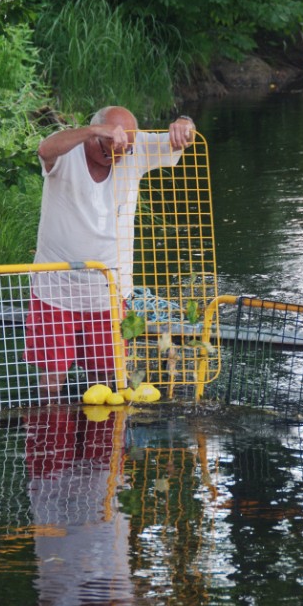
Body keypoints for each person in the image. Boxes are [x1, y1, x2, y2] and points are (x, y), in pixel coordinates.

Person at [25, 106, 196, 400]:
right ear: (95, 135)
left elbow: (184, 135)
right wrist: (92, 131)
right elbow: (44, 149)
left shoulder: (135, 148)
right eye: (110, 145)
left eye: (124, 148)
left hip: (109, 290)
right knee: (51, 378)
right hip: (55, 289)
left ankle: (105, 442)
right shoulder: (69, 149)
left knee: (108, 379)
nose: (118, 153)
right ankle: (50, 438)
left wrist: (185, 122)